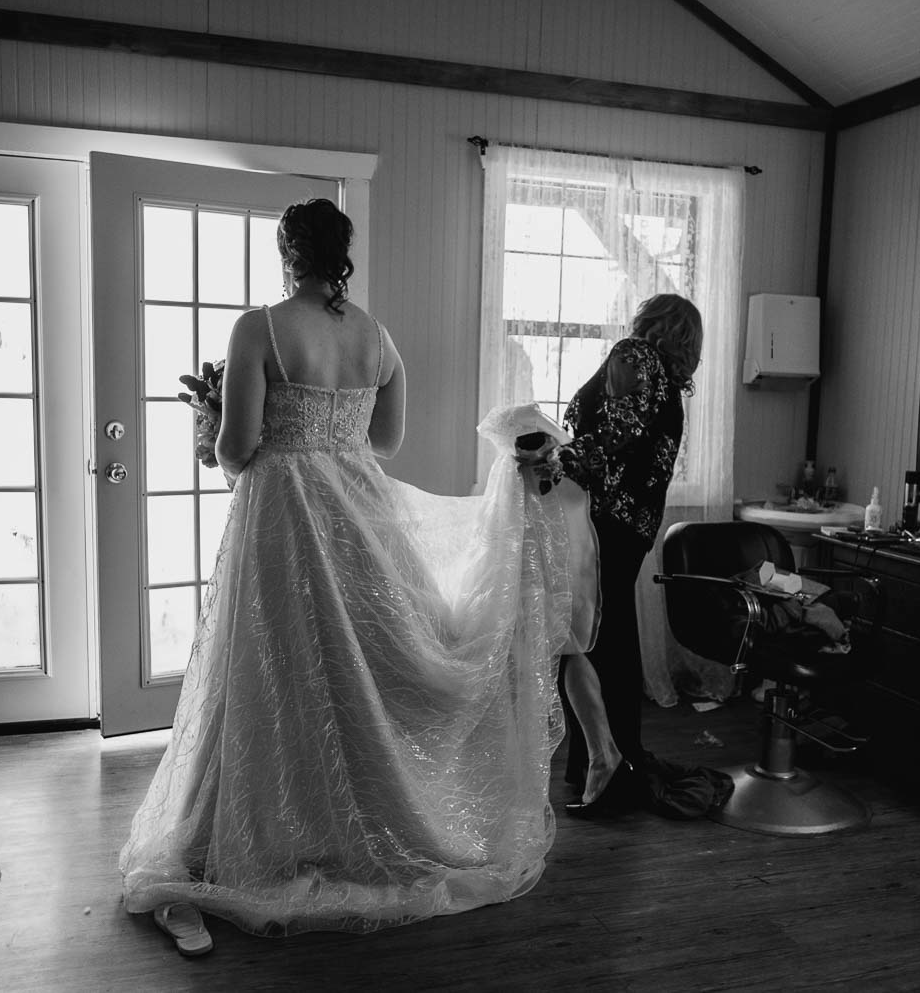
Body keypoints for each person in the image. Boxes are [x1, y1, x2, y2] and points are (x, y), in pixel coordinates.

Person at [119, 199, 612, 947]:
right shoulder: (377, 338)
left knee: (272, 674)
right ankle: (355, 824)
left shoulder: (258, 328)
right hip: (356, 517)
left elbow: (236, 448)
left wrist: (212, 422)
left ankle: (266, 830)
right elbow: (384, 443)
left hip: (281, 519)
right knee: (357, 678)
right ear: (342, 253)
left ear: (287, 252)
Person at [546, 293, 707, 816]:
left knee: (585, 638)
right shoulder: (667, 386)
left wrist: (552, 457)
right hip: (635, 525)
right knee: (609, 638)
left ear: (650, 323)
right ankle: (613, 759)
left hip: (601, 521)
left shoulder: (634, 356)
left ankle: (604, 763)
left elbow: (613, 435)